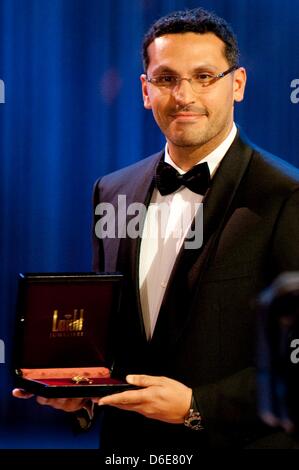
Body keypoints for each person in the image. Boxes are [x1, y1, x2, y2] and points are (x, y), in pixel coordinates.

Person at [14, 7, 299, 450]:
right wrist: (85, 393)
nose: (184, 95)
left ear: (237, 84)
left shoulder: (287, 194)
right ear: (146, 90)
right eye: (167, 79)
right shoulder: (112, 191)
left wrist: (197, 405)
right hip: (129, 451)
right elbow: (110, 335)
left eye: (204, 76)